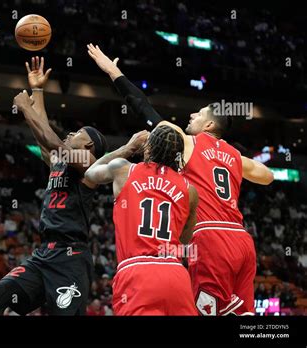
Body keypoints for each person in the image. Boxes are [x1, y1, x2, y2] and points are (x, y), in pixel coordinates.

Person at [88, 43, 274, 315]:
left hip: (211, 238)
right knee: (245, 316)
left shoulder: (187, 143)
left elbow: (143, 108)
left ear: (209, 126)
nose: (191, 115)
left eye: (198, 114)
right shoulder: (235, 156)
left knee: (206, 311)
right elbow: (268, 176)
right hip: (243, 241)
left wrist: (113, 71)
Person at [0, 57, 112, 316]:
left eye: (77, 135)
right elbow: (44, 141)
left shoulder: (88, 163)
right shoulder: (61, 161)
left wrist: (25, 107)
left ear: (88, 146)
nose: (71, 135)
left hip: (71, 258)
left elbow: (52, 141)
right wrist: (38, 90)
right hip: (44, 255)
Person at [85, 127, 198, 315]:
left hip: (137, 272)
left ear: (148, 149)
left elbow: (90, 173)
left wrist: (128, 147)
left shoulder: (123, 169)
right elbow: (184, 240)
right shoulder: (190, 189)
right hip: (175, 274)